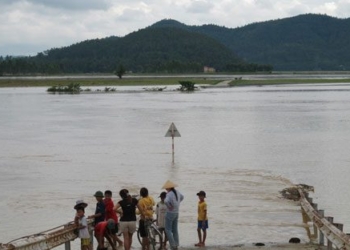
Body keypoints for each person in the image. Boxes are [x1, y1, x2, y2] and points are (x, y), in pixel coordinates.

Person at [162, 180, 184, 250]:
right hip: (176, 212)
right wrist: (177, 203)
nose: (166, 189)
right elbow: (182, 197)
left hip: (170, 213)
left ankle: (172, 245)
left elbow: (165, 201)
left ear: (169, 188)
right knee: (175, 229)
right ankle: (176, 243)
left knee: (167, 229)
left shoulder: (169, 194)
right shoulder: (177, 192)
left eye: (166, 188)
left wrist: (169, 206)